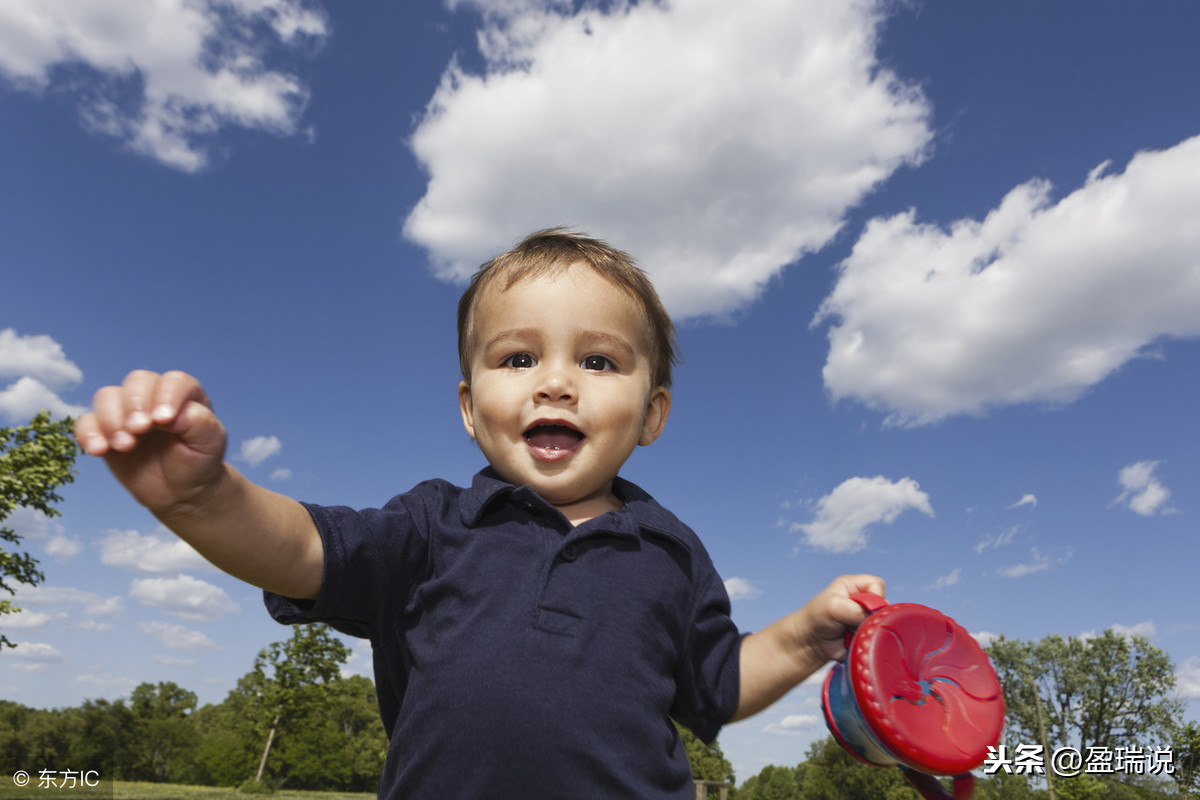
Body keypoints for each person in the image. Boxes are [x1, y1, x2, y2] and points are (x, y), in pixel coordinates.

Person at [75, 229, 885, 799]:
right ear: (470, 407)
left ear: (652, 414)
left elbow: (715, 687)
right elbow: (302, 550)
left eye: (598, 360)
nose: (556, 382)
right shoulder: (434, 526)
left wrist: (805, 636)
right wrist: (203, 497)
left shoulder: (671, 553)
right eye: (518, 357)